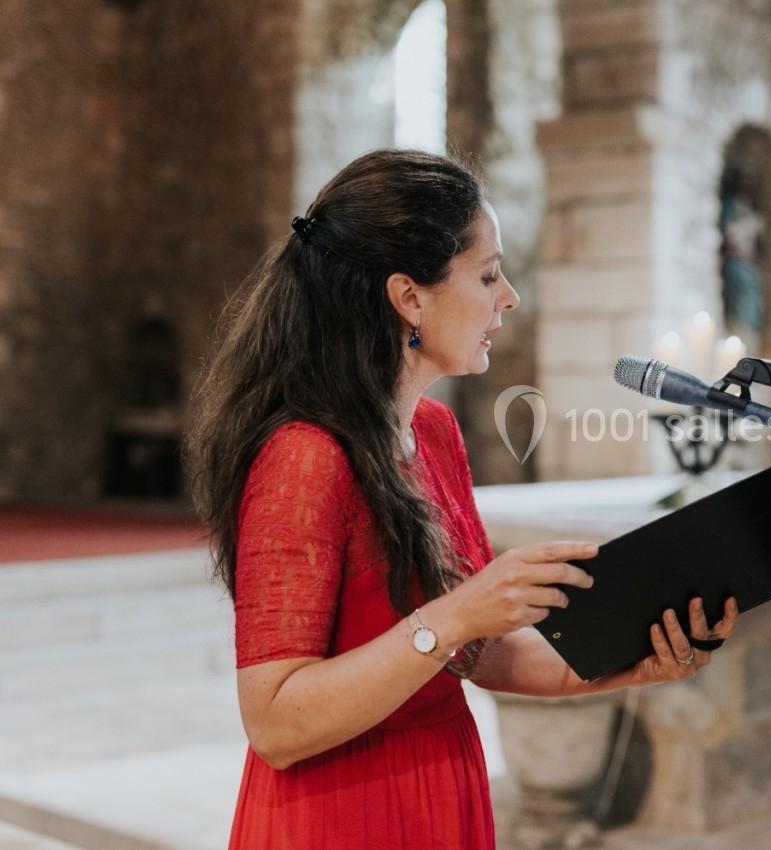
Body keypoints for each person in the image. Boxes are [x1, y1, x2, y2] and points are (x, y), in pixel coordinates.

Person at [184, 149, 738, 850]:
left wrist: (633, 662)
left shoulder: (434, 433)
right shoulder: (305, 457)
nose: (508, 297)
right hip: (341, 812)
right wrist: (455, 615)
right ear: (409, 296)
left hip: (441, 787)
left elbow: (477, 656)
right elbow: (273, 722)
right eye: (487, 274)